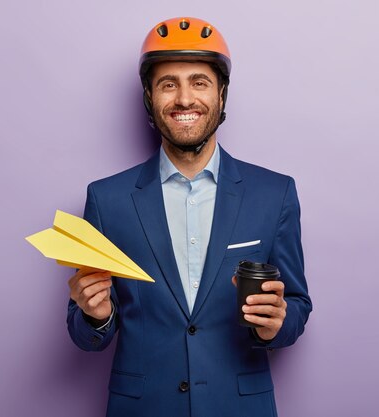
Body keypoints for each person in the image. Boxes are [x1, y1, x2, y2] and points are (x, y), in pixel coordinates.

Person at [66, 17, 312, 417]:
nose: (184, 99)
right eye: (168, 84)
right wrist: (97, 316)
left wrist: (276, 325)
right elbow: (83, 330)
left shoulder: (275, 193)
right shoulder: (106, 199)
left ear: (221, 94)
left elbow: (297, 304)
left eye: (199, 82)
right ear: (150, 98)